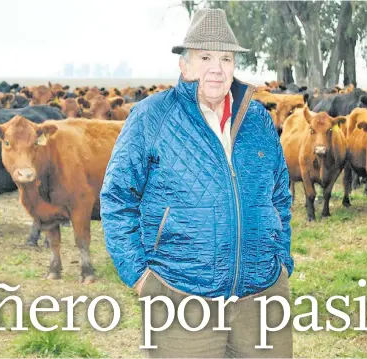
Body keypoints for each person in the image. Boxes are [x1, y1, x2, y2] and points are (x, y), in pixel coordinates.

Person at [100, 8, 294, 358]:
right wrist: (141, 277)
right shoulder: (152, 116)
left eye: (225, 57)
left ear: (234, 65)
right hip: (181, 295)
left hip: (262, 295)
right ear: (184, 65)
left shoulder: (258, 120)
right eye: (205, 57)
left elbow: (280, 193)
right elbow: (117, 198)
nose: (216, 68)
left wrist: (281, 259)